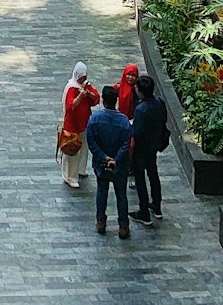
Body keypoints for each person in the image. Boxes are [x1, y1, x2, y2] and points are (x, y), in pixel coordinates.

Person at [87, 85, 133, 238]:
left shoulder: (95, 119)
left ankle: (101, 221)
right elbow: (126, 143)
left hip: (101, 164)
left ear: (103, 101)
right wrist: (116, 159)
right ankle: (123, 226)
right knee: (121, 195)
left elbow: (91, 141)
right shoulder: (124, 121)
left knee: (102, 192)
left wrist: (103, 157)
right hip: (119, 166)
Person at [130, 73, 168, 227]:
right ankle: (157, 207)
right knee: (153, 175)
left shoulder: (140, 109)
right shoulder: (159, 102)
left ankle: (144, 213)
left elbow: (137, 132)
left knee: (140, 180)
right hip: (154, 146)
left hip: (141, 150)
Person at [60, 62, 100, 187]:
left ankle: (80, 169)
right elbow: (70, 106)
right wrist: (81, 96)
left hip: (84, 122)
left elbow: (96, 99)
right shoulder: (71, 88)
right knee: (72, 150)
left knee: (83, 148)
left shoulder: (86, 85)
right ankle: (70, 176)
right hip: (73, 125)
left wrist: (88, 93)